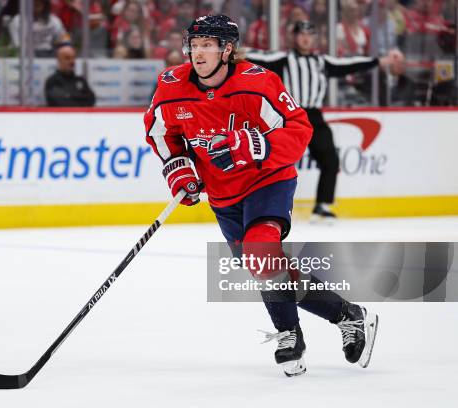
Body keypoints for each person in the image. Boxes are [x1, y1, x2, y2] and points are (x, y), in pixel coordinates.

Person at [144, 14, 379, 377]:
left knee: (260, 250)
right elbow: (162, 133)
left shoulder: (258, 82)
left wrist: (255, 143)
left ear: (227, 50)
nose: (198, 52)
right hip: (223, 193)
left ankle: (289, 334)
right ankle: (349, 315)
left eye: (208, 45)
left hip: (267, 179)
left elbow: (298, 130)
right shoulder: (171, 84)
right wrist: (179, 168)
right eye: (194, 44)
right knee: (266, 267)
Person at [246, 20, 403, 220]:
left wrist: (381, 61)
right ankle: (265, 207)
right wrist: (224, 50)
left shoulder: (322, 62)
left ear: (314, 39)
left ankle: (322, 206)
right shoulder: (283, 59)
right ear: (293, 37)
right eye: (301, 33)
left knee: (330, 160)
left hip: (314, 117)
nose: (305, 38)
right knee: (277, 163)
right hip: (288, 116)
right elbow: (255, 56)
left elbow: (350, 63)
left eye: (309, 34)